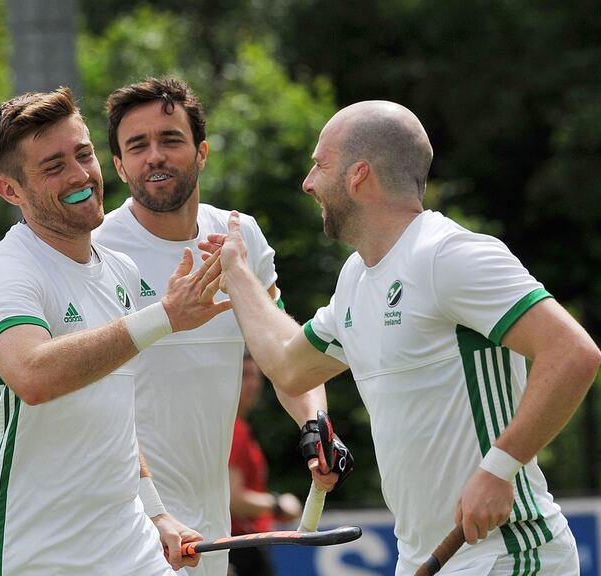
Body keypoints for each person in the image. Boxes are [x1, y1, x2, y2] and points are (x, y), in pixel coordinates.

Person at [204, 100, 601, 574]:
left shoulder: (447, 254)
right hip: (422, 558)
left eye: (320, 165)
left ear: (359, 175)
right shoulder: (356, 277)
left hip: (507, 553)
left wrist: (500, 468)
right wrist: (237, 273)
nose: (308, 182)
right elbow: (289, 368)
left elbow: (573, 352)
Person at [0, 87, 231, 575]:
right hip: (28, 556)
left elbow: (116, 414)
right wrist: (165, 315)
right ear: (10, 191)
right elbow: (33, 375)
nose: (80, 175)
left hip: (130, 548)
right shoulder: (2, 271)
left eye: (83, 155)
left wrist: (156, 511)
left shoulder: (120, 271)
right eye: (54, 166)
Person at [92, 77, 345, 576]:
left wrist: (315, 425)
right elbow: (91, 402)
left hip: (211, 528)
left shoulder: (239, 235)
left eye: (170, 139)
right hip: (127, 526)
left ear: (202, 152)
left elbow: (284, 354)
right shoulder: (97, 248)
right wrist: (152, 510)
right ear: (119, 166)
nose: (155, 156)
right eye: (137, 146)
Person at [227, 353, 302, 576]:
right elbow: (233, 499)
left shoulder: (238, 427)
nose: (253, 384)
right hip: (239, 544)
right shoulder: (234, 430)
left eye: (256, 376)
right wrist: (278, 504)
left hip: (239, 544)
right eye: (244, 375)